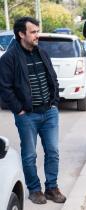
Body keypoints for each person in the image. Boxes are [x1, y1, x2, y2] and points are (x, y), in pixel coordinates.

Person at [0, 17, 67, 204]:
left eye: (38, 31)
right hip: (27, 115)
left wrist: (54, 102)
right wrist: (19, 109)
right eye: (33, 32)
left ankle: (52, 188)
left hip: (49, 112)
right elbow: (4, 88)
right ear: (22, 34)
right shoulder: (9, 58)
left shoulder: (42, 53)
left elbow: (52, 78)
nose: (38, 35)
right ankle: (35, 190)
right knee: (30, 154)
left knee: (53, 151)